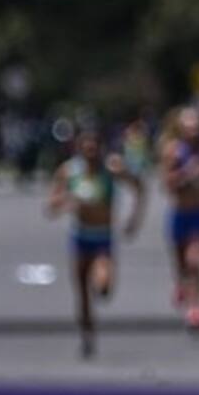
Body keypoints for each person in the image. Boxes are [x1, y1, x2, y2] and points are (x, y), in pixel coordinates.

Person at [47, 125, 144, 358]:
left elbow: (140, 187)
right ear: (79, 147)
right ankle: (87, 336)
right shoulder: (70, 171)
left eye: (94, 145)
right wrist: (68, 201)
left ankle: (101, 285)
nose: (90, 149)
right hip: (80, 236)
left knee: (102, 285)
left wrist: (134, 219)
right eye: (86, 145)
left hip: (103, 236)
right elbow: (50, 206)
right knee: (82, 293)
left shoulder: (111, 169)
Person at [160, 106, 199, 332]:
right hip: (179, 214)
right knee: (181, 265)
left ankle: (196, 309)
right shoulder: (173, 151)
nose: (194, 131)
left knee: (195, 262)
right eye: (189, 127)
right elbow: (166, 184)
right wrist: (186, 172)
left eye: (197, 126)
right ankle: (181, 284)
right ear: (181, 128)